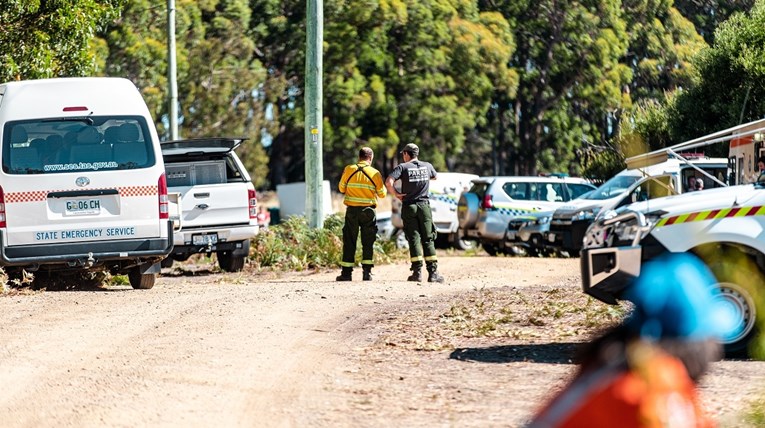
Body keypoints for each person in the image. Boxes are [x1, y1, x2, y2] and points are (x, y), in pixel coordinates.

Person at [527, 253, 729, 427]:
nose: (716, 347)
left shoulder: (617, 371)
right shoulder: (640, 391)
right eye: (711, 335)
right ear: (690, 343)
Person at [385, 143, 444, 283]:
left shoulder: (402, 167)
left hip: (409, 205)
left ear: (406, 154)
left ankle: (417, 273)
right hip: (424, 207)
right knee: (428, 238)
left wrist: (396, 194)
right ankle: (433, 273)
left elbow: (388, 182)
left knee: (414, 238)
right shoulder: (427, 166)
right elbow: (435, 177)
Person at [336, 147, 387, 281]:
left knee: (349, 241)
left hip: (352, 211)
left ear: (359, 157)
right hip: (368, 211)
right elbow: (382, 194)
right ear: (370, 158)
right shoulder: (375, 172)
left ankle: (346, 274)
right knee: (368, 242)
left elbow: (341, 188)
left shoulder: (349, 169)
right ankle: (367, 273)